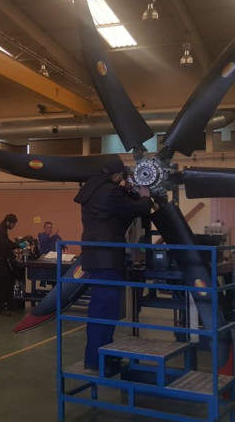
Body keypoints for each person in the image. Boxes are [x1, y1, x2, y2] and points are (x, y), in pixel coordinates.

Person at [74, 159, 152, 370]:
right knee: (104, 307)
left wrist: (128, 190)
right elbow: (139, 209)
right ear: (116, 175)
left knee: (107, 307)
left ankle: (104, 353)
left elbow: (115, 212)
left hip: (97, 255)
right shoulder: (110, 192)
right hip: (106, 257)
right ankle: (94, 358)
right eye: (122, 177)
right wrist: (145, 196)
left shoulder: (94, 190)